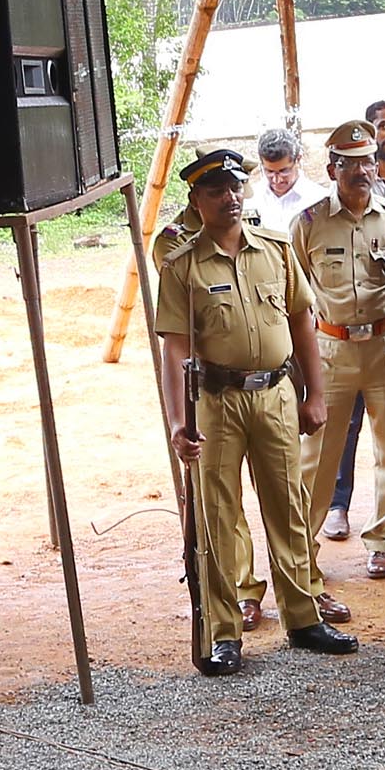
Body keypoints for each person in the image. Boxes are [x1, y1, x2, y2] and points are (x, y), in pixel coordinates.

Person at [155, 147, 358, 674]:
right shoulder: (181, 265)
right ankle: (223, 632)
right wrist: (178, 423)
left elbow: (301, 323)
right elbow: (174, 348)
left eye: (234, 187)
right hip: (215, 403)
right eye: (215, 191)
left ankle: (303, 615)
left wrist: (315, 395)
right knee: (218, 516)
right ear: (196, 201)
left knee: (288, 507)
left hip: (275, 396)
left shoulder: (274, 250)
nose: (229, 197)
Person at [293, 124, 385, 585]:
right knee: (318, 452)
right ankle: (304, 546)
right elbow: (296, 294)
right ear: (332, 169)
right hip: (332, 347)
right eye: (350, 163)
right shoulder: (308, 222)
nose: (361, 170)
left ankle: (382, 541)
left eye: (367, 161)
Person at [245, 126, 321, 235]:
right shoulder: (250, 199)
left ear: (298, 160)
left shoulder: (317, 199)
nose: (277, 180)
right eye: (269, 172)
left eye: (284, 171)